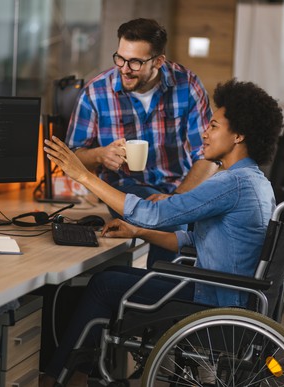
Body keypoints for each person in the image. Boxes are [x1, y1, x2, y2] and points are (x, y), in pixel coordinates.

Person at [42, 79, 283, 387]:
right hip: (232, 294)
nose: (204, 133)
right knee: (112, 276)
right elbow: (194, 240)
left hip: (216, 300)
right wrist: (138, 231)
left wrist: (84, 176)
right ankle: (72, 376)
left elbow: (157, 213)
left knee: (104, 284)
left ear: (238, 136)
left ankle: (55, 379)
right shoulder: (255, 181)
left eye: (213, 125)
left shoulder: (231, 184)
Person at [65, 18, 216, 267]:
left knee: (196, 223)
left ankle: (170, 293)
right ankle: (157, 297)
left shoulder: (187, 85)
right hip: (125, 188)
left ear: (158, 61)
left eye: (135, 62)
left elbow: (208, 156)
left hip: (180, 187)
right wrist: (100, 155)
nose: (124, 68)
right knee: (170, 223)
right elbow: (72, 156)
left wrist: (177, 199)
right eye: (120, 58)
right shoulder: (96, 92)